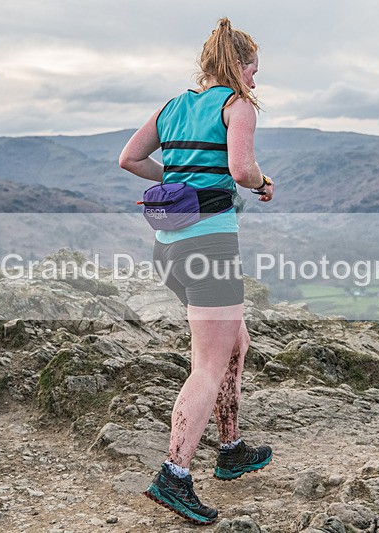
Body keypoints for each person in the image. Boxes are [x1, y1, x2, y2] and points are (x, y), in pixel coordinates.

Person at [118, 17, 275, 525]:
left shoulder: (173, 106)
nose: (256, 79)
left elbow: (129, 159)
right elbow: (240, 170)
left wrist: (177, 175)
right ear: (238, 65)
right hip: (209, 246)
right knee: (208, 366)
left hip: (169, 247)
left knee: (235, 343)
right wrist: (263, 182)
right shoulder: (238, 106)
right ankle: (175, 474)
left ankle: (229, 449)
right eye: (254, 69)